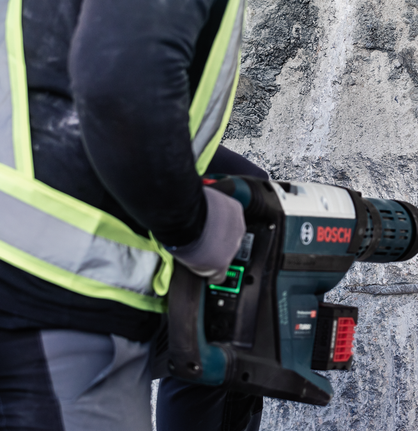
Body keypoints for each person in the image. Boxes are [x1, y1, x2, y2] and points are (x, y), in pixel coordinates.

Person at [0, 0, 265, 429]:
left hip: (29, 259)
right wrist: (191, 225)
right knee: (239, 303)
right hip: (51, 285)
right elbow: (122, 89)